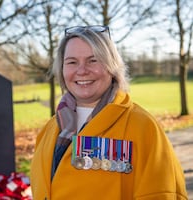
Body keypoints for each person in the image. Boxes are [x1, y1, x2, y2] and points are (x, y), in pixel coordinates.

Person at [30, 25, 188, 200]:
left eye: (93, 60)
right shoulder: (48, 130)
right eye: (72, 62)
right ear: (62, 69)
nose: (82, 70)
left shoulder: (143, 127)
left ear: (112, 66)